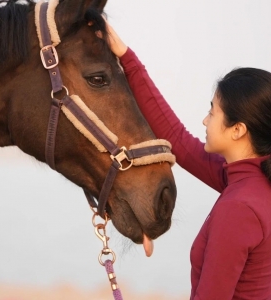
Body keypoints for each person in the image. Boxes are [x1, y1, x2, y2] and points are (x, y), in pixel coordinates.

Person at [104, 21, 271, 299]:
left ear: (238, 129)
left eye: (213, 112)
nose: (205, 120)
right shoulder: (249, 182)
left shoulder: (239, 207)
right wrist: (126, 57)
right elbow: (176, 138)